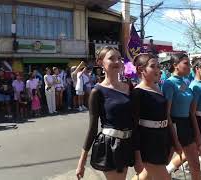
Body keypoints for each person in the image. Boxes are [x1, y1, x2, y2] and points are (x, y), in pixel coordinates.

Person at [76, 47, 134, 180]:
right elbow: (92, 129)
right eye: (111, 58)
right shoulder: (97, 92)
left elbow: (134, 119)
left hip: (128, 144)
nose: (117, 62)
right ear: (100, 62)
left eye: (119, 58)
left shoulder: (129, 87)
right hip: (109, 146)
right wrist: (82, 162)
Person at [130, 53, 179, 180]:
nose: (158, 70)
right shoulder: (137, 92)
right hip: (147, 144)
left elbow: (165, 117)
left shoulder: (158, 89)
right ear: (141, 69)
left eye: (158, 66)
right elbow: (133, 126)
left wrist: (173, 142)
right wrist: (137, 156)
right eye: (153, 66)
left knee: (147, 176)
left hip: (162, 139)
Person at [162, 54, 201, 180]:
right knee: (160, 167)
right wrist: (175, 139)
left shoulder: (185, 81)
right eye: (186, 63)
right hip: (174, 126)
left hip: (187, 125)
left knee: (195, 164)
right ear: (175, 65)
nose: (189, 66)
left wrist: (197, 132)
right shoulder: (169, 83)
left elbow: (191, 111)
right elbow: (166, 113)